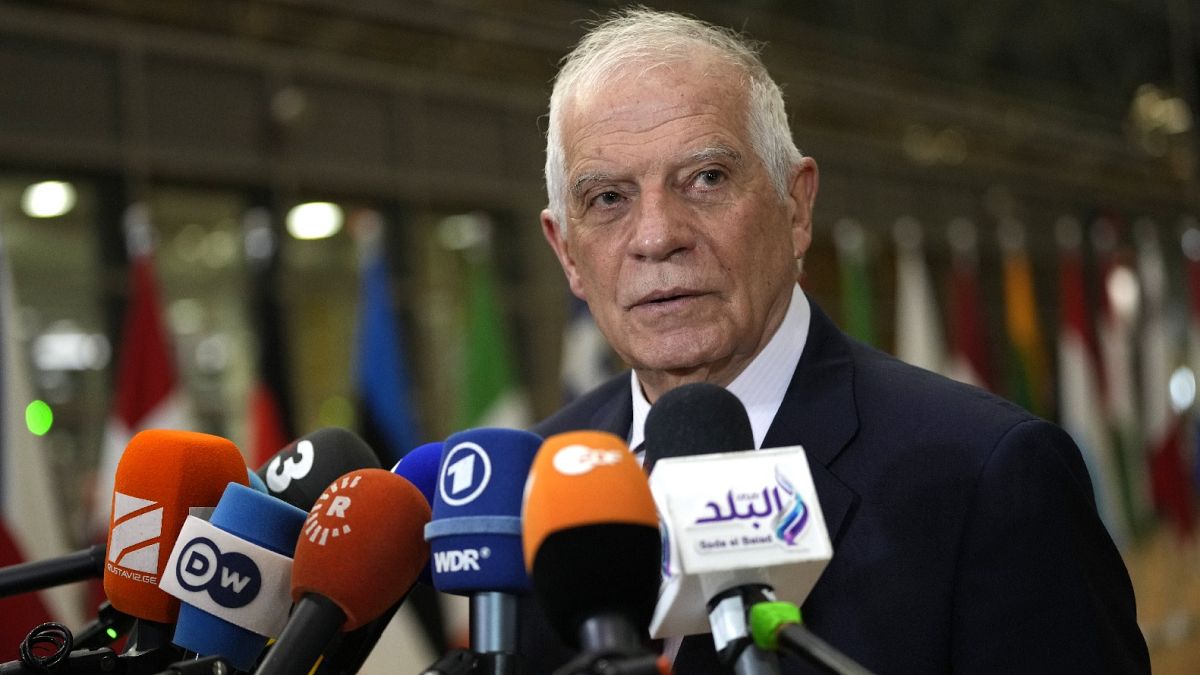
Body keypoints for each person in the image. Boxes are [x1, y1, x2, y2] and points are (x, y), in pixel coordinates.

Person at [521, 7, 1149, 674]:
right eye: (608, 198)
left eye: (706, 178)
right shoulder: (531, 488)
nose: (656, 236)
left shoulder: (987, 477)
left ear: (798, 208)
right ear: (565, 252)